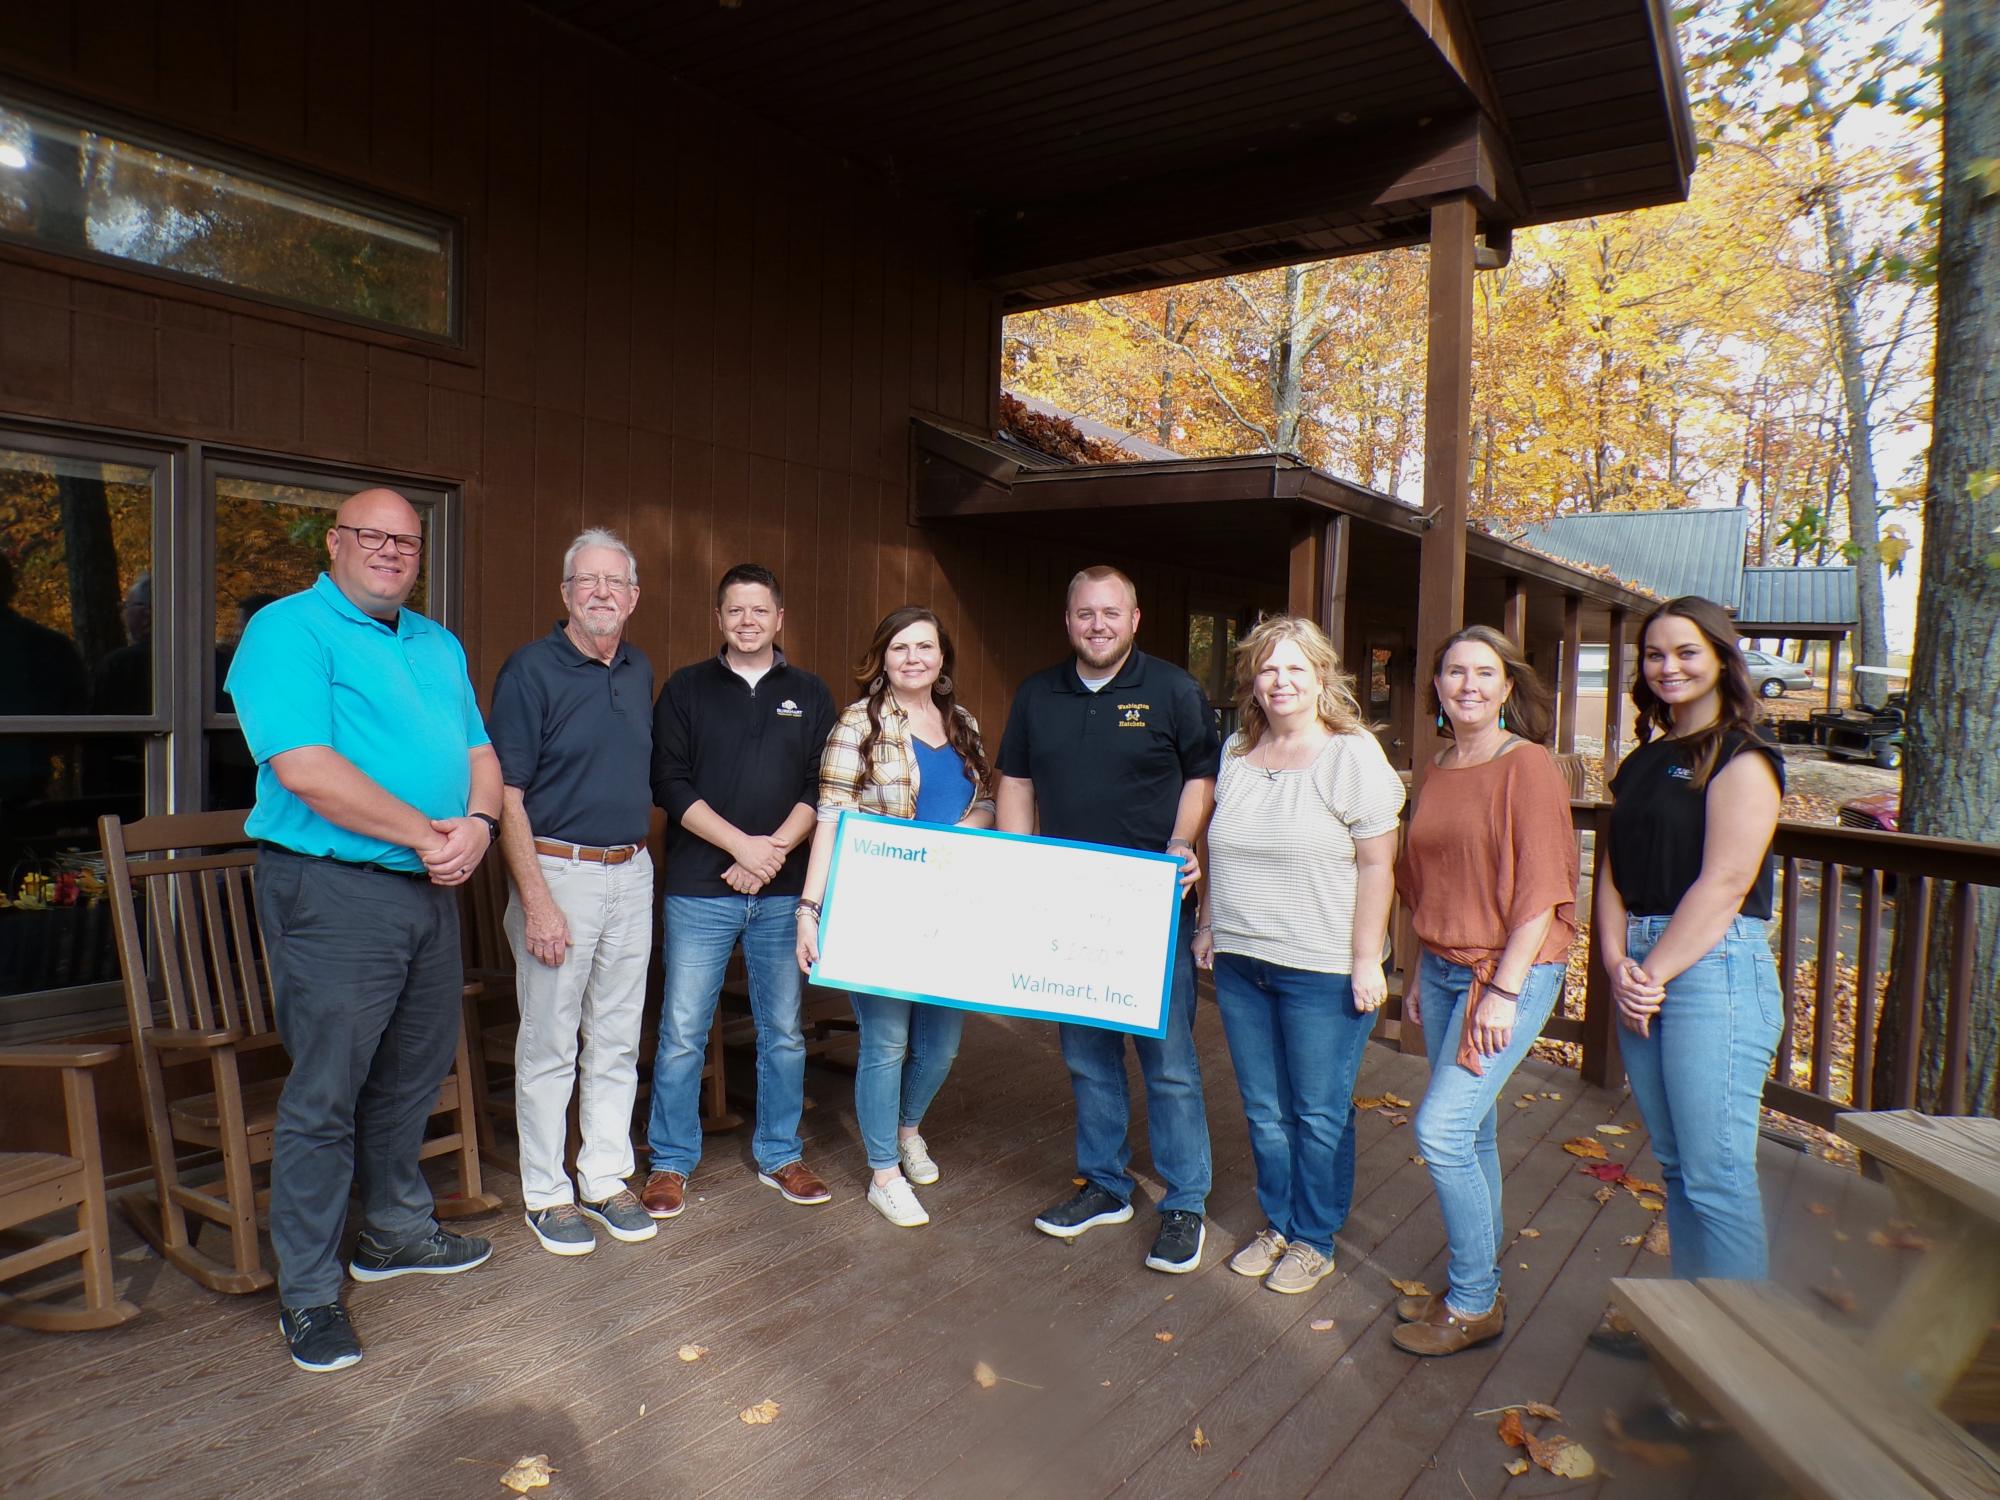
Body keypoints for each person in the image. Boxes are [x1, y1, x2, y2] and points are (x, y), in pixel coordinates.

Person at [227, 488, 502, 1374]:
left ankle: (392, 1232)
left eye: (406, 541)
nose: (390, 551)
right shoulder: (288, 630)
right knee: (327, 1093)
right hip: (333, 892)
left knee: (412, 1071)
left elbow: (480, 754)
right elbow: (306, 768)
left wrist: (481, 826)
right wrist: (431, 835)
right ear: (336, 543)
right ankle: (308, 1293)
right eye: (372, 536)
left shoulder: (437, 642)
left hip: (427, 889)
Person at [996, 564, 1220, 1274]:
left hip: (1151, 904)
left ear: (1135, 619)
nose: (1098, 625)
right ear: (1069, 621)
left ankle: (1184, 1202)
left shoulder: (1174, 690)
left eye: (1111, 613)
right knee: (1087, 1056)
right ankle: (1105, 1184)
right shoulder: (1037, 694)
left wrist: (1181, 841)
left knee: (1168, 1060)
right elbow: (1016, 781)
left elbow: (1201, 776)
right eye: (1086, 613)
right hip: (1067, 905)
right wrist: (1018, 862)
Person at [1193, 615, 1404, 1294]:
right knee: (1264, 1110)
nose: (1280, 681)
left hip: (1322, 966)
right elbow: (1220, 849)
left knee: (1318, 1112)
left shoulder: (1351, 755)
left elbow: (1377, 866)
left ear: (1321, 677)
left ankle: (1314, 1237)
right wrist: (1208, 923)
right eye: (1267, 669)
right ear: (1252, 681)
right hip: (1242, 962)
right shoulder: (1237, 751)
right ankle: (1279, 1223)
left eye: (1295, 668)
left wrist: (1366, 959)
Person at [1390, 624, 1578, 1356]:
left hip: (1508, 972)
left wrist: (1502, 991)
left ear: (1507, 687)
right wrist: (1416, 970)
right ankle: (1479, 1283)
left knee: (1440, 1132)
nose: (1467, 684)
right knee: (1473, 1131)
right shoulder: (1437, 766)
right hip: (1442, 966)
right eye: (1453, 672)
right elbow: (1426, 882)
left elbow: (1542, 888)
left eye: (1483, 672)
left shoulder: (1526, 765)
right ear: (1436, 687)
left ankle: (1473, 1302)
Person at [642, 564, 837, 1218]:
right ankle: (670, 1162)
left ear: (779, 618)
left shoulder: (810, 693)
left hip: (782, 894)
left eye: (759, 610)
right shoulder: (686, 689)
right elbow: (669, 782)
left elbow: (822, 788)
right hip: (700, 888)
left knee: (783, 1030)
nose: (747, 621)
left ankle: (781, 1153)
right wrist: (741, 847)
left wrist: (770, 852)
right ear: (719, 618)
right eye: (735, 610)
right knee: (682, 1031)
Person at [1599, 596, 1784, 1284]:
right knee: (1678, 1166)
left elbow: (1727, 881)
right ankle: (1690, 1327)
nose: (1668, 666)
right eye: (1655, 654)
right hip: (1642, 963)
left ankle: (1733, 1343)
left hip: (1714, 967)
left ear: (1720, 659)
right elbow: (1613, 873)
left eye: (1685, 652)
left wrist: (1650, 974)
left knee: (1717, 1176)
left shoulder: (1744, 756)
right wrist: (1616, 962)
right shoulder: (1644, 761)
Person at [794, 606, 996, 1228]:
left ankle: (908, 1130)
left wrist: (965, 829)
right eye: (901, 647)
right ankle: (883, 1173)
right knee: (886, 1042)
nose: (914, 658)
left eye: (925, 647)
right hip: (875, 908)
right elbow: (830, 819)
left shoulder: (963, 724)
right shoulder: (858, 724)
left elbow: (986, 802)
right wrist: (810, 909)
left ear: (942, 658)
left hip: (948, 910)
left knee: (941, 1046)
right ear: (882, 657)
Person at [487, 529, 658, 1256]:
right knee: (551, 1042)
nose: (601, 593)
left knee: (617, 1040)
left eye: (614, 582)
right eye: (587, 580)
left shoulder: (639, 669)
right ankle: (547, 1192)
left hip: (632, 872)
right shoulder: (531, 670)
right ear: (565, 593)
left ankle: (604, 1177)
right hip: (559, 873)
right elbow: (506, 795)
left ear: (633, 597)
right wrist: (538, 901)